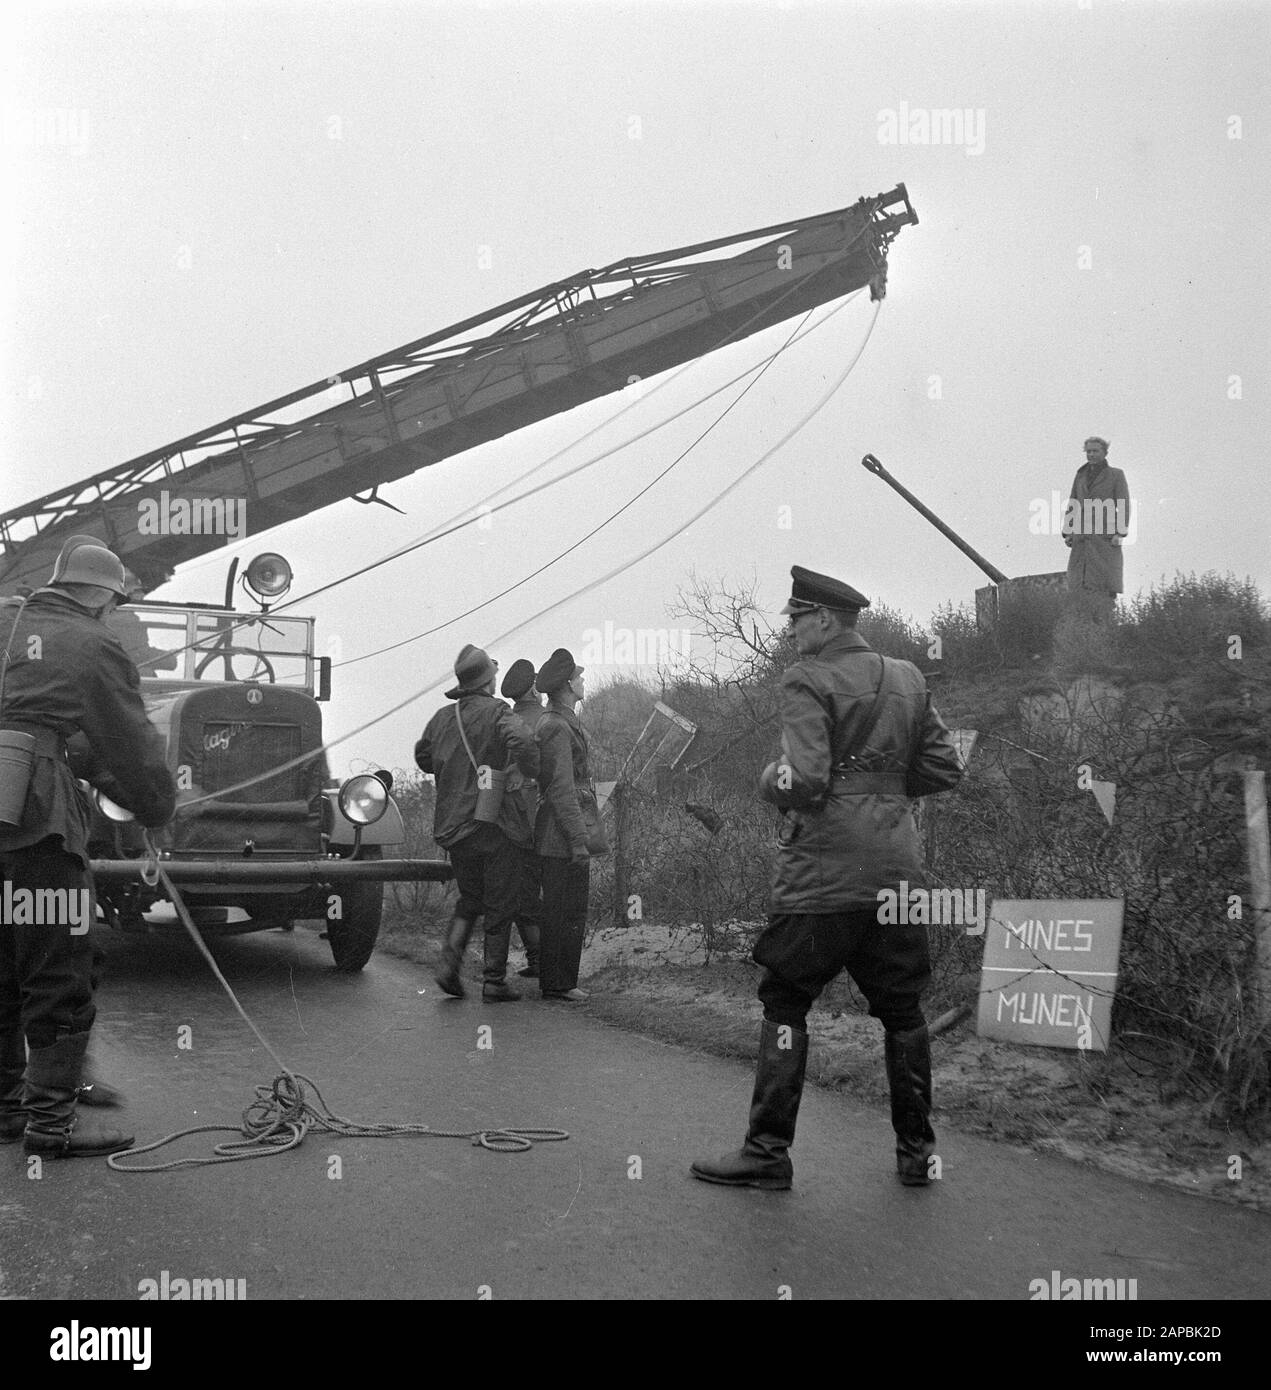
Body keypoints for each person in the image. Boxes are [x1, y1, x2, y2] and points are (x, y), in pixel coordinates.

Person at [690, 566, 963, 1191]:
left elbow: (804, 779)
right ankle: (917, 1155)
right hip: (897, 873)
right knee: (903, 1010)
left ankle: (767, 1154)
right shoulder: (908, 677)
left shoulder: (807, 678)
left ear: (824, 620)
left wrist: (766, 780)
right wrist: (882, 791)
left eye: (794, 619)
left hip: (822, 876)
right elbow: (944, 768)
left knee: (786, 1002)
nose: (788, 630)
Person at [0, 539, 176, 1157]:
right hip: (34, 826)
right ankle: (50, 1126)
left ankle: (6, 1112)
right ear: (102, 597)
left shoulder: (6, 620)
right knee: (55, 964)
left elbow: (60, 739)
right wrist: (156, 808)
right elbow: (129, 745)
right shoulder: (92, 643)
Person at [415, 645, 539, 1002]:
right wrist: (522, 769)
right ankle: (494, 980)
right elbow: (524, 742)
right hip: (494, 822)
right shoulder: (498, 711)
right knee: (501, 901)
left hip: (454, 826)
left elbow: (423, 756)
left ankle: (448, 966)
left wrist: (452, 771)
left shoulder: (442, 717)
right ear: (489, 679)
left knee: (470, 899)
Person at [533, 648, 604, 1002]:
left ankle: (559, 981)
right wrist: (579, 840)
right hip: (560, 835)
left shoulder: (559, 722)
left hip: (562, 831)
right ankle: (559, 983)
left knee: (566, 908)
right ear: (566, 686)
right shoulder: (557, 726)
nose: (583, 680)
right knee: (565, 909)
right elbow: (561, 788)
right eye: (578, 677)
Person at [498, 659, 545, 979]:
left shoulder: (505, 721)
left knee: (520, 894)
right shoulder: (546, 719)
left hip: (511, 823)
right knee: (540, 892)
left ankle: (538, 957)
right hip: (542, 820)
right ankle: (544, 960)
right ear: (531, 688)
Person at [1061, 436, 1131, 622]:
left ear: (1105, 453)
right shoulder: (1080, 476)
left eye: (1095, 451)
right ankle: (1085, 629)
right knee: (1079, 585)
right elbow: (1073, 502)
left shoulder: (1116, 475)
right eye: (1088, 451)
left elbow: (1123, 504)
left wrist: (1120, 532)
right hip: (1082, 538)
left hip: (1105, 539)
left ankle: (1105, 626)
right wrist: (1068, 531)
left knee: (1104, 585)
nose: (1091, 454)